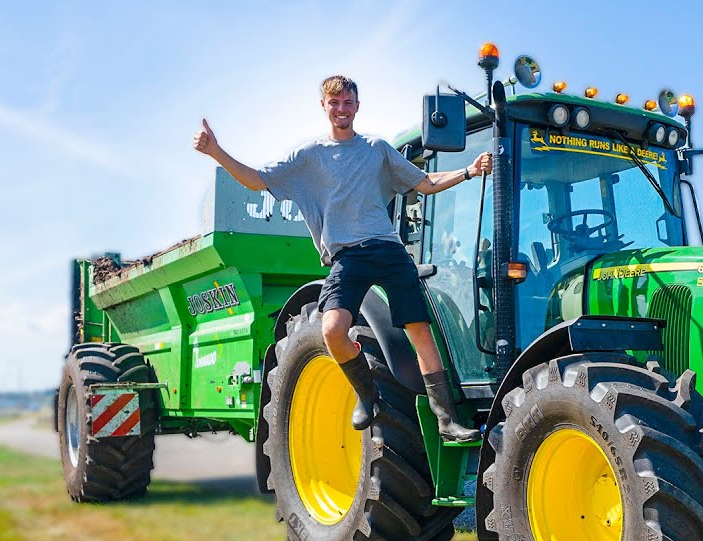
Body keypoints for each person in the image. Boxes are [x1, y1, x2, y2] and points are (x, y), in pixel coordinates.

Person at [193, 75, 490, 440]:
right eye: (334, 103)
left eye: (348, 102)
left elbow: (425, 183)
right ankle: (367, 394)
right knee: (332, 330)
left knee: (420, 331)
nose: (341, 109)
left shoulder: (376, 148)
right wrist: (216, 151)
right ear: (324, 106)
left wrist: (469, 170)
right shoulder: (308, 157)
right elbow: (256, 180)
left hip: (388, 249)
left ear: (357, 106)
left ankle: (446, 421)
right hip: (347, 257)